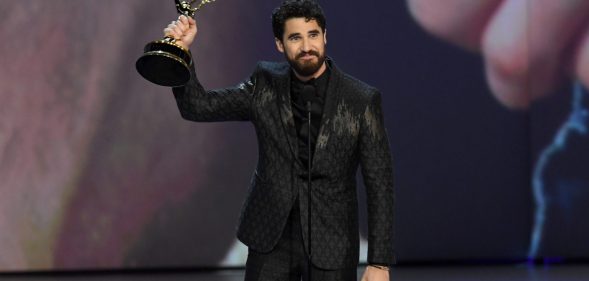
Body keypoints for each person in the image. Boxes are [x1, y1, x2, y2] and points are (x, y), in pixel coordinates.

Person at [164, 0, 395, 280]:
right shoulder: (264, 85)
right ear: (279, 44)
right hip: (270, 238)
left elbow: (379, 182)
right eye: (295, 37)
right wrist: (182, 52)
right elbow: (198, 107)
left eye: (313, 35)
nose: (307, 46)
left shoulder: (361, 99)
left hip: (332, 240)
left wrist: (379, 263)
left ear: (325, 36)